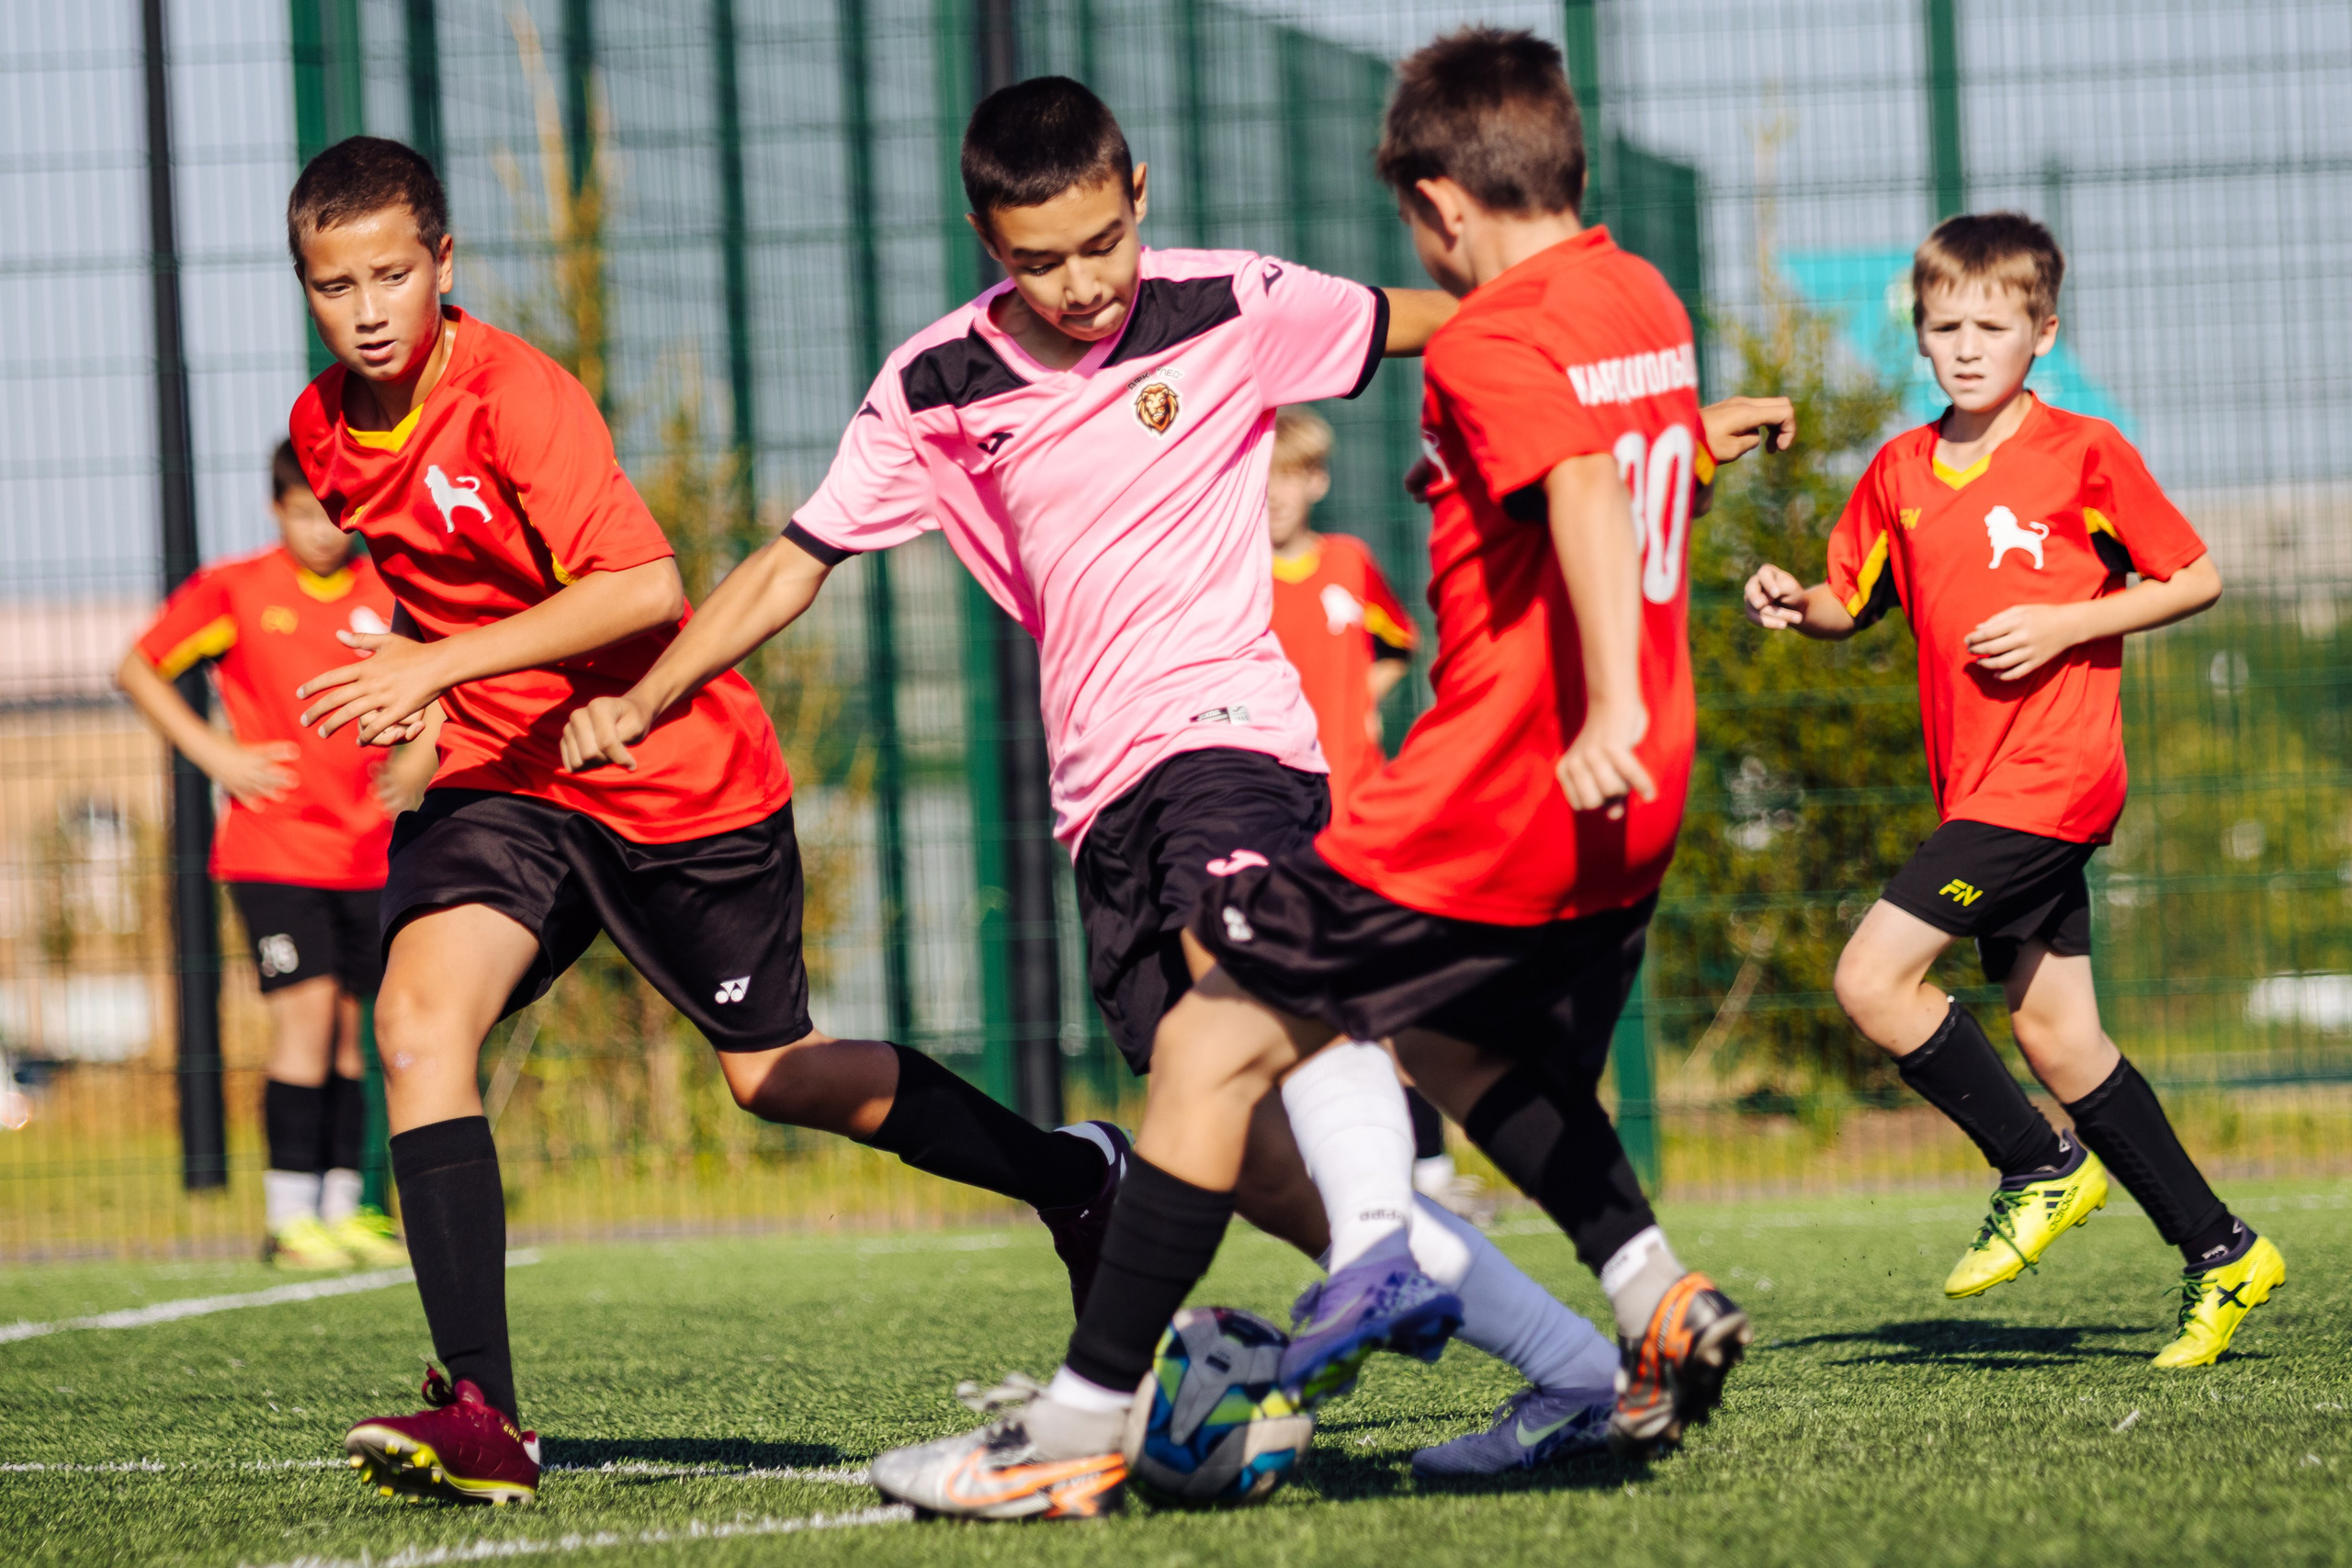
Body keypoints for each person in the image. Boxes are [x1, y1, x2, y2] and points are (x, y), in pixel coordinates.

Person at [563, 75, 1676, 1500]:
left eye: (1104, 242)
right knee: (1243, 1154)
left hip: (1231, 739)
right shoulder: (935, 386)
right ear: (986, 239)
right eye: (1041, 258)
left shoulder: (1230, 302)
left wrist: (1628, 405)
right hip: (1100, 801)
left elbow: (1453, 316)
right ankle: (1578, 1369)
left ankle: (1311, 1283)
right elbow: (800, 553)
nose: (1085, 283)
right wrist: (649, 693)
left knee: (1258, 970)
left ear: (1137, 191)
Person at [864, 31, 1794, 1517]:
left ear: (1436, 205)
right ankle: (1648, 1295)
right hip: (1633, 797)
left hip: (1491, 786)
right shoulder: (1638, 298)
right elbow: (1610, 442)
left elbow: (1567, 482)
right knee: (1479, 1050)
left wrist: (1605, 690)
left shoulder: (1493, 335)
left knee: (1217, 1045)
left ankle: (1093, 1420)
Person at [279, 135, 1141, 1508]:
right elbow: (444, 597)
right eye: (338, 284)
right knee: (414, 1022)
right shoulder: (325, 430)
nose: (371, 306)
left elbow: (642, 588)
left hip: (674, 775)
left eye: (395, 272)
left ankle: (1069, 1173)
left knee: (772, 1074)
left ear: (446, 263)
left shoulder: (518, 399)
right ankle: (486, 1413)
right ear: (308, 289)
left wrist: (431, 669)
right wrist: (436, 714)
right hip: (511, 781)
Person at [1742, 211, 2282, 1368]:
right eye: (1945, 326)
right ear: (1921, 337)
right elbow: (1854, 601)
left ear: (2043, 331)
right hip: (1977, 791)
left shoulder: (2084, 453)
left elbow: (2194, 575)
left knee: (1870, 977)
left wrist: (2065, 623)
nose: (1967, 345)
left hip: (2054, 778)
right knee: (2056, 1032)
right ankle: (2223, 1251)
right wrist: (1799, 604)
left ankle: (2038, 1168)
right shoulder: (1897, 470)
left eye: (1994, 324)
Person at [119, 442, 432, 1270]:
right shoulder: (236, 589)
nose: (323, 530)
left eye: (336, 513)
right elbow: (138, 666)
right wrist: (216, 754)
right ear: (275, 508)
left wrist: (418, 757)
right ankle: (288, 1213)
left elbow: (444, 684)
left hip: (370, 853)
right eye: (303, 512)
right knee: (305, 1016)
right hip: (275, 852)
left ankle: (341, 1208)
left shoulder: (389, 590)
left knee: (349, 1037)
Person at [1262, 412, 1464, 1207]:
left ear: (1317, 481)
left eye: (1289, 478)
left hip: (1362, 815)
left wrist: (1361, 702)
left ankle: (1432, 1169)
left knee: (1393, 989)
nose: (1273, 496)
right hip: (1281, 820)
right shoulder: (1232, 575)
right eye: (1262, 478)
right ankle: (1330, 1171)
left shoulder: (1348, 560)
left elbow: (1397, 643)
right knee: (1302, 1004)